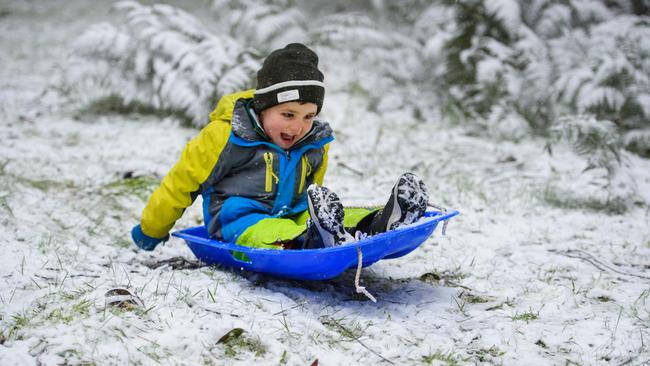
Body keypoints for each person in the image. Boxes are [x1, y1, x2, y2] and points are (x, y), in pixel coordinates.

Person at [131, 43, 429, 251]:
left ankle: (381, 221)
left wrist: (319, 214)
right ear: (263, 107)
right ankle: (313, 238)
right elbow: (180, 184)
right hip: (240, 222)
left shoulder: (315, 141)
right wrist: (151, 229)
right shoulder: (225, 137)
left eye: (308, 116)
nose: (297, 127)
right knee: (268, 231)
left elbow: (317, 195)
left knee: (344, 215)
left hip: (294, 213)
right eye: (288, 115)